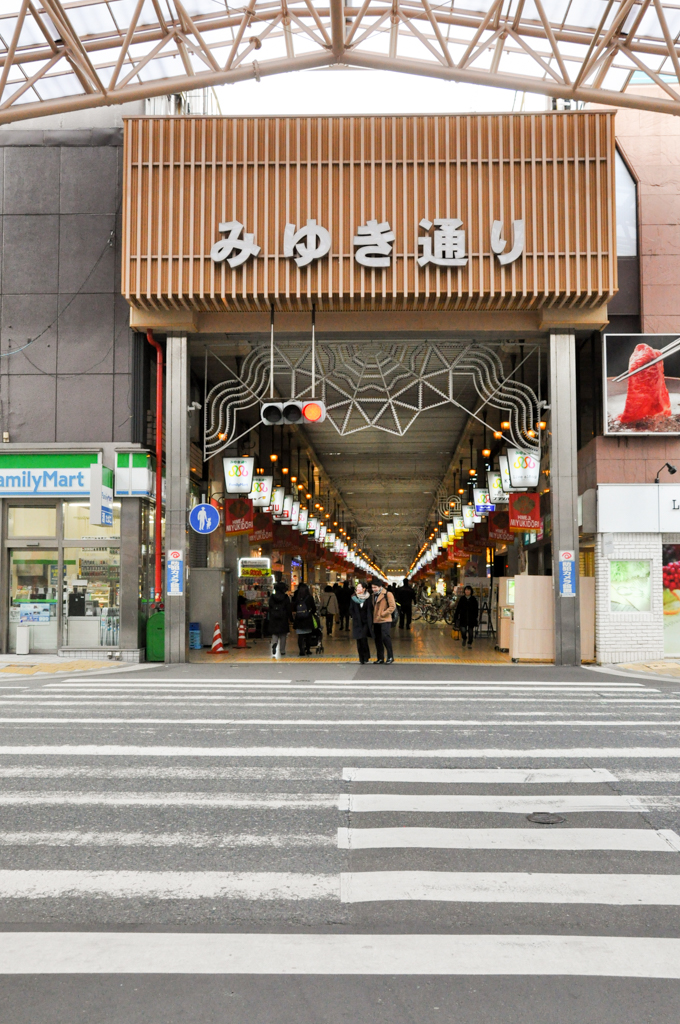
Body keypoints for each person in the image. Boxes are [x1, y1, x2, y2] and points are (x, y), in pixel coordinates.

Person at [371, 577, 396, 664]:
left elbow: (392, 606)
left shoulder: (387, 594)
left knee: (385, 637)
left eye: (375, 587)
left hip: (385, 619)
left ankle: (390, 656)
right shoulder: (373, 595)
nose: (373, 589)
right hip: (376, 620)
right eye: (372, 587)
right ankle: (380, 658)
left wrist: (383, 613)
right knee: (377, 639)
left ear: (380, 586)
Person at [268, 580, 292, 659]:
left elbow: (270, 607)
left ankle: (274, 643)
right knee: (283, 635)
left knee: (275, 633)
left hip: (274, 617)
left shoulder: (272, 597)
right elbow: (289, 609)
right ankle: (282, 650)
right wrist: (291, 618)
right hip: (283, 617)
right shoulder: (286, 597)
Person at [291, 581, 317, 656]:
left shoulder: (297, 598)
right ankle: (308, 650)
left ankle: (301, 651)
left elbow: (294, 607)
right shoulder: (310, 598)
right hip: (307, 618)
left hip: (299, 619)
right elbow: (314, 608)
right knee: (308, 635)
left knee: (300, 636)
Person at [350, 580, 373, 663]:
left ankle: (366, 655)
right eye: (357, 587)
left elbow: (370, 609)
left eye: (359, 587)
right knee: (359, 639)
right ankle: (361, 658)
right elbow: (351, 609)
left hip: (366, 621)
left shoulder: (368, 597)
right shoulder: (353, 597)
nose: (358, 588)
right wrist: (354, 616)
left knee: (363, 637)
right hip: (357, 621)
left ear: (364, 589)